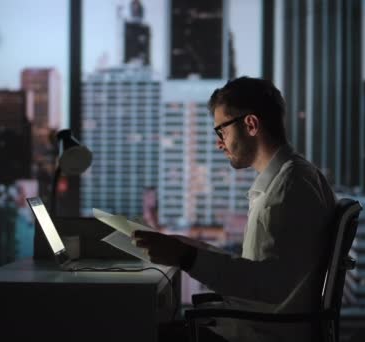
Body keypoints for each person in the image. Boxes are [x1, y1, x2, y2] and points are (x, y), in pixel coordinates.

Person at [133, 77, 336, 342]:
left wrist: (187, 257)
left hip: (260, 333)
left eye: (222, 131)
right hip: (261, 325)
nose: (220, 143)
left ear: (250, 124)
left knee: (137, 330)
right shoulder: (299, 176)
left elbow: (265, 285)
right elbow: (266, 271)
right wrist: (191, 249)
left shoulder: (288, 189)